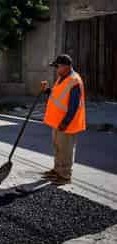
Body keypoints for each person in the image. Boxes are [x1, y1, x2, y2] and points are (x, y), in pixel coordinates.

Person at [41, 54, 86, 184]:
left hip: (67, 124)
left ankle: (65, 176)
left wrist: (65, 123)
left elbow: (74, 106)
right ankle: (57, 171)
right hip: (57, 122)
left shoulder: (74, 81)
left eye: (58, 66)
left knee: (66, 151)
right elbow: (57, 95)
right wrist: (46, 90)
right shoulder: (62, 78)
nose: (56, 69)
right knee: (58, 148)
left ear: (67, 66)